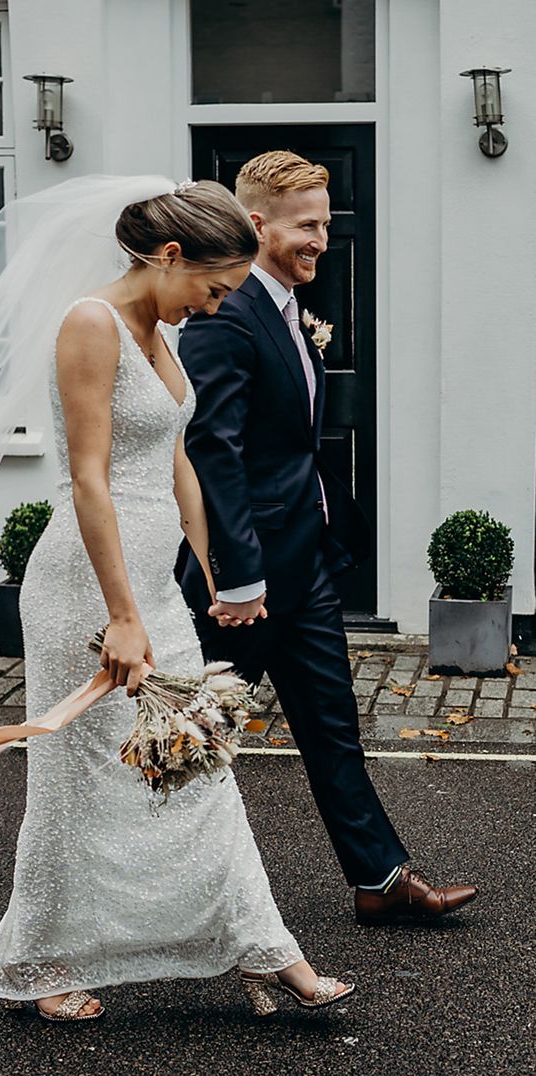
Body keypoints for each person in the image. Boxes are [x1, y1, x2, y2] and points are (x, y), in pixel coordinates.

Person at [0, 175, 354, 1021]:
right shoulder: (90, 324)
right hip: (84, 590)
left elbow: (176, 460)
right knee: (76, 786)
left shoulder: (161, 334)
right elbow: (90, 482)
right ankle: (40, 962)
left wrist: (213, 568)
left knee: (197, 764)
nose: (211, 309)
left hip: (150, 587)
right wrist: (124, 614)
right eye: (210, 289)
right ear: (170, 256)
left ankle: (264, 946)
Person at [177, 151, 478, 926]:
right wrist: (237, 577)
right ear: (256, 225)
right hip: (239, 585)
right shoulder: (224, 315)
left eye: (326, 220)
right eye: (307, 224)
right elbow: (215, 451)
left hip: (303, 565)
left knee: (332, 728)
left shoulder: (287, 310)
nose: (322, 236)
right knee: (188, 742)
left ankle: (379, 878)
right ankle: (139, 895)